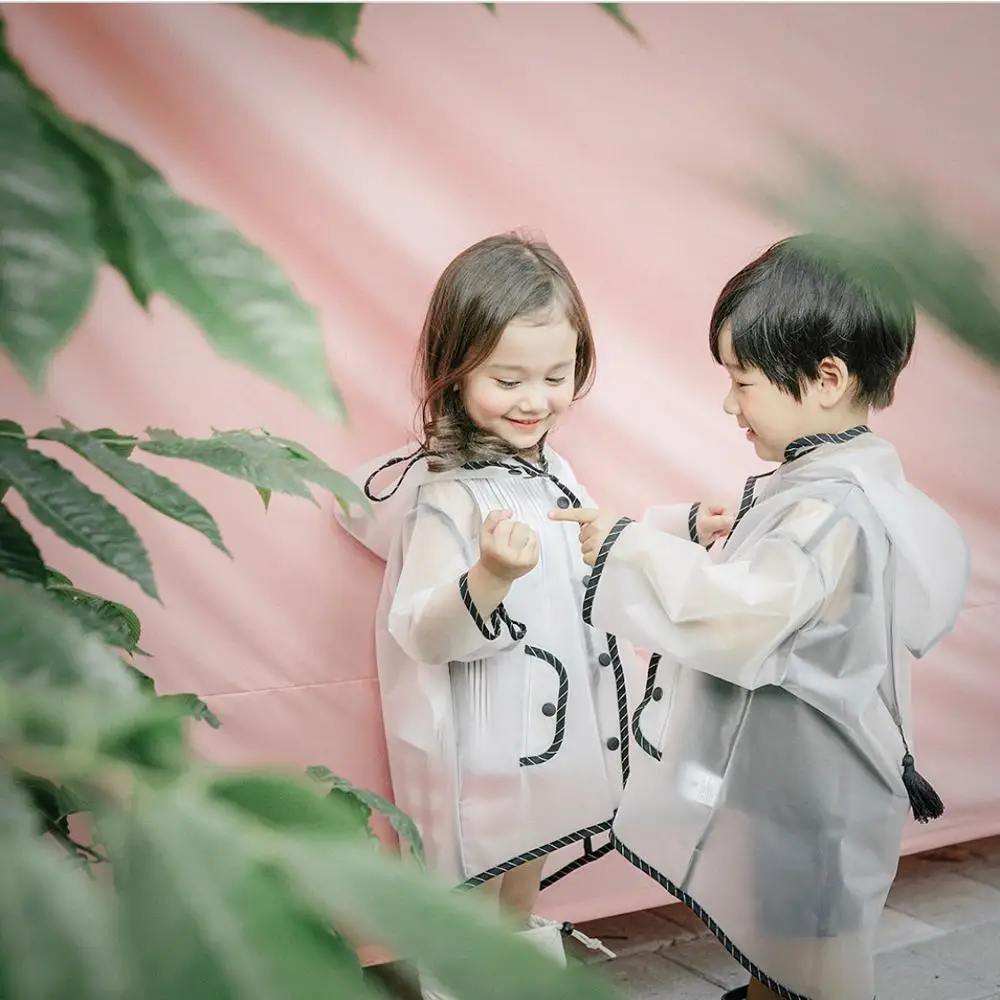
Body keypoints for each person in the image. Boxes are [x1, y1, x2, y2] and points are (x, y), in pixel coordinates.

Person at [552, 235, 970, 1000]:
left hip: (812, 792)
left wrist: (626, 545)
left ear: (827, 379)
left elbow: (743, 611)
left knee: (806, 957)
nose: (728, 403)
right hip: (793, 783)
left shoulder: (832, 509)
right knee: (781, 947)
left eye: (741, 381)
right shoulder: (831, 484)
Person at [336, 233, 731, 990]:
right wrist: (489, 575)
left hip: (547, 734)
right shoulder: (448, 497)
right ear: (455, 372)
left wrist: (678, 524)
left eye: (557, 376)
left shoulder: (550, 470)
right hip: (481, 747)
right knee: (473, 892)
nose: (535, 400)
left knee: (524, 881)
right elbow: (422, 629)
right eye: (507, 378)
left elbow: (587, 541)